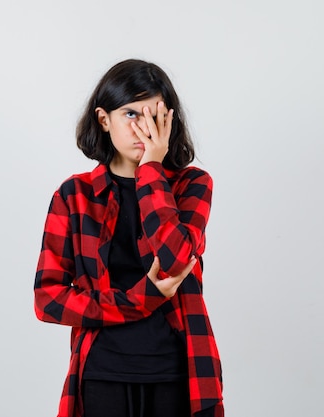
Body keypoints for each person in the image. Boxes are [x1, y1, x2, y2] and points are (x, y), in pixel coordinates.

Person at [34, 59, 224, 417]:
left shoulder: (192, 185)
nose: (145, 129)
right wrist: (142, 298)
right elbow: (48, 300)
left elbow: (175, 258)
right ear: (104, 119)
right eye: (131, 115)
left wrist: (151, 169)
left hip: (177, 372)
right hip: (102, 372)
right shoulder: (74, 196)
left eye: (156, 117)